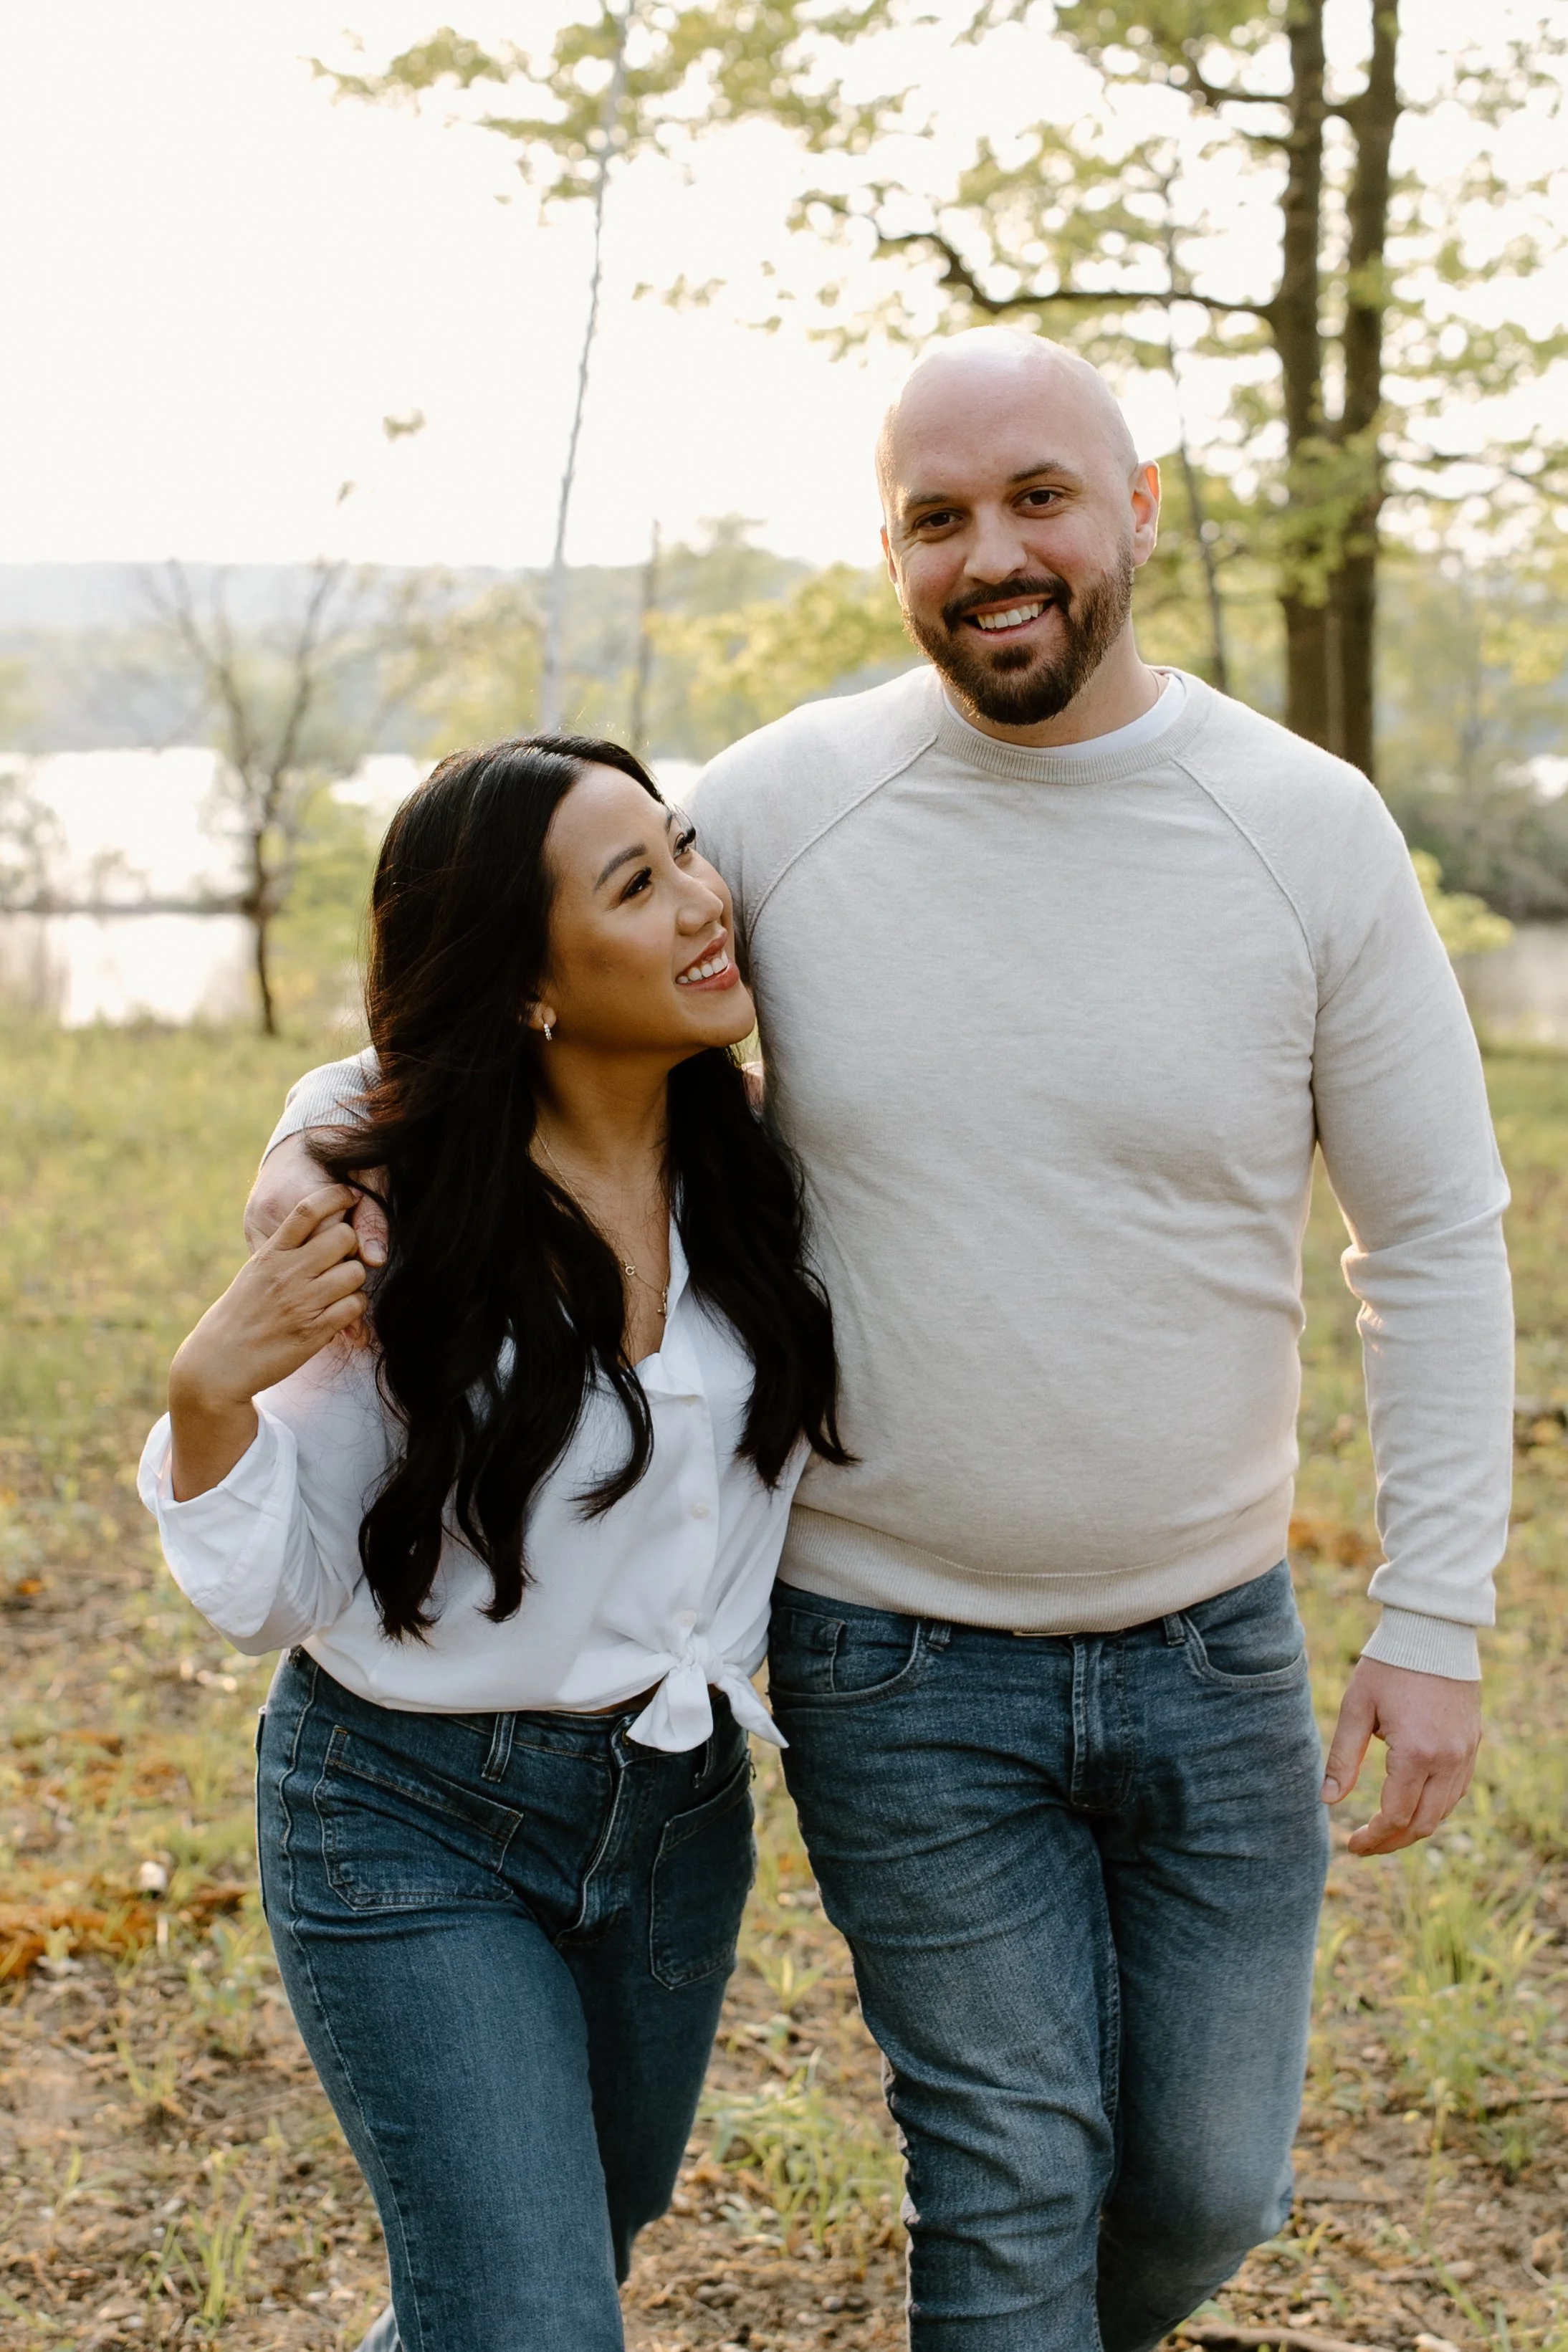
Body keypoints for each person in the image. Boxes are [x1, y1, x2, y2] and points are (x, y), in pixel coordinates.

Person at [252, 333, 1514, 2352]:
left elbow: (1433, 1236)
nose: (990, 555)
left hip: (1212, 1643)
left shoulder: (1308, 830)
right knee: (1009, 2179)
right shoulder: (785, 807)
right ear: (890, 548)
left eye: (1036, 498)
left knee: (1205, 2188)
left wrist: (1433, 1613)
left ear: (1137, 509)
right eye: (937, 518)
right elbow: (504, 967)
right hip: (894, 1655)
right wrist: (327, 1165)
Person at [142, 734, 848, 2352]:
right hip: (408, 1819)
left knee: (539, 2281)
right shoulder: (393, 1222)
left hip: (672, 1821)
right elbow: (269, 1590)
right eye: (635, 883)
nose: (698, 901)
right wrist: (203, 1394)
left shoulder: (756, 1169)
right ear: (528, 982)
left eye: (682, 850)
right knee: (531, 2322)